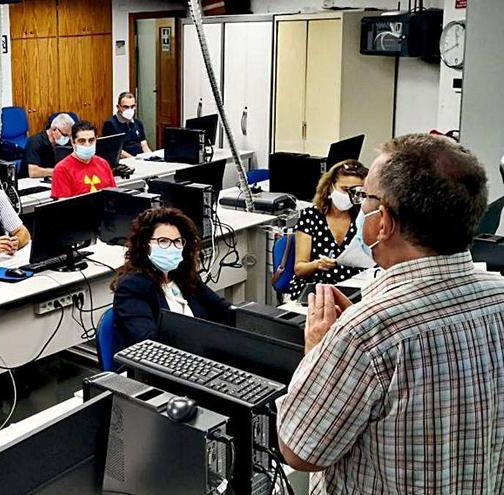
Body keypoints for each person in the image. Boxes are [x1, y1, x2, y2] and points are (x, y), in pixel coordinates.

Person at [277, 134, 503, 494]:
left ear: (382, 221)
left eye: (363, 197)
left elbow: (300, 451)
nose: (357, 205)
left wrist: (321, 351)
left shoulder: (364, 334)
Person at [111, 208, 234, 353]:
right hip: (154, 366)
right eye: (163, 241)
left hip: (196, 356)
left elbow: (223, 310)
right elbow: (149, 341)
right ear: (145, 245)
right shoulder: (132, 286)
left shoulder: (185, 277)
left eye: (177, 241)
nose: (171, 247)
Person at [287, 160, 368, 299]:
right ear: (330, 187)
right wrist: (318, 264)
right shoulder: (311, 216)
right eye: (344, 189)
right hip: (316, 289)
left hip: (354, 287)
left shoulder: (362, 216)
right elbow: (300, 269)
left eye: (355, 191)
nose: (349, 196)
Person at [51, 120, 116, 199]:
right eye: (82, 141)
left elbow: (114, 195)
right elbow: (64, 207)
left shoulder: (103, 163)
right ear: (73, 142)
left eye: (91, 140)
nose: (87, 145)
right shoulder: (61, 169)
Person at [102, 92, 152, 159]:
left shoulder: (138, 123)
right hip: (125, 161)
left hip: (140, 158)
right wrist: (133, 160)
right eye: (126, 107)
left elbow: (144, 145)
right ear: (118, 107)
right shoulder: (110, 124)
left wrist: (151, 157)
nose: (130, 109)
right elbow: (116, 150)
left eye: (132, 106)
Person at [24, 113, 74, 178]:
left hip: (54, 178)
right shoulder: (35, 142)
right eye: (65, 135)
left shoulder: (67, 142)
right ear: (54, 129)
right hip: (31, 182)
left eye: (70, 135)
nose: (67, 138)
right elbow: (33, 172)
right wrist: (59, 171)